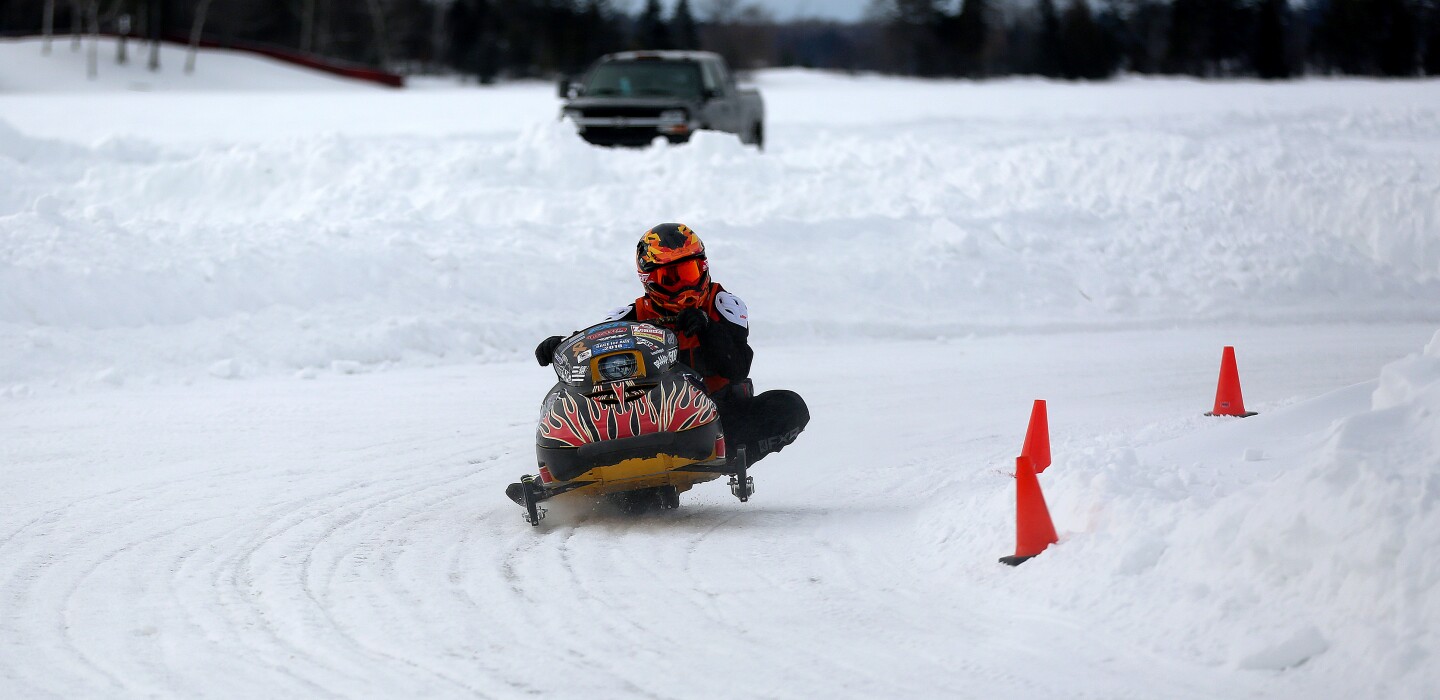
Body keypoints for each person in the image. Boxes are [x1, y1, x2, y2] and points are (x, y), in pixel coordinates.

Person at [518, 223, 808, 501]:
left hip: (718, 417)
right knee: (637, 506)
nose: (683, 286)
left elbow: (737, 368)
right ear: (649, 280)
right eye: (671, 278)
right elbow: (595, 340)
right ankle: (598, 468)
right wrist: (562, 344)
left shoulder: (725, 306)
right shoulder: (630, 316)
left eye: (689, 272)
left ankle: (721, 456)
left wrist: (707, 329)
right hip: (657, 423)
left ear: (703, 268)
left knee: (790, 407)